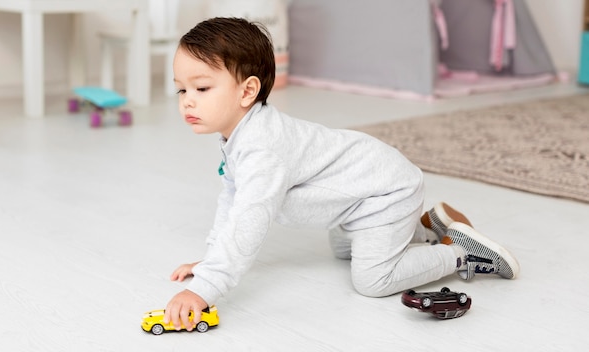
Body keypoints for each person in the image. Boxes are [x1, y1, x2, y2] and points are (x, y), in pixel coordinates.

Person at [164, 17, 520, 330]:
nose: (187, 100)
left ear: (248, 91)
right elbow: (232, 197)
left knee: (372, 279)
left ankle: (459, 252)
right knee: (341, 248)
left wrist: (206, 287)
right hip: (357, 198)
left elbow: (249, 219)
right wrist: (212, 258)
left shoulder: (262, 148)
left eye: (202, 88)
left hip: (385, 192)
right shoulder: (239, 137)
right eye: (182, 89)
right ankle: (424, 227)